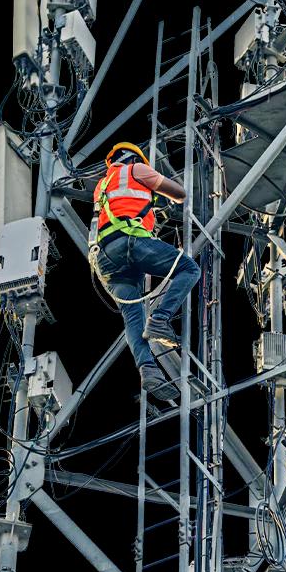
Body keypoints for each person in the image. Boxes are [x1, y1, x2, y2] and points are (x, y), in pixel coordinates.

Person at [89, 141, 200, 401]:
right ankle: (160, 319)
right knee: (188, 268)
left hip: (105, 260)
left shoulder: (102, 185)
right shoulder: (136, 169)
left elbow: (119, 207)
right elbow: (180, 193)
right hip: (131, 242)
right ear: (132, 158)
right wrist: (157, 191)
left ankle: (148, 370)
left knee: (133, 318)